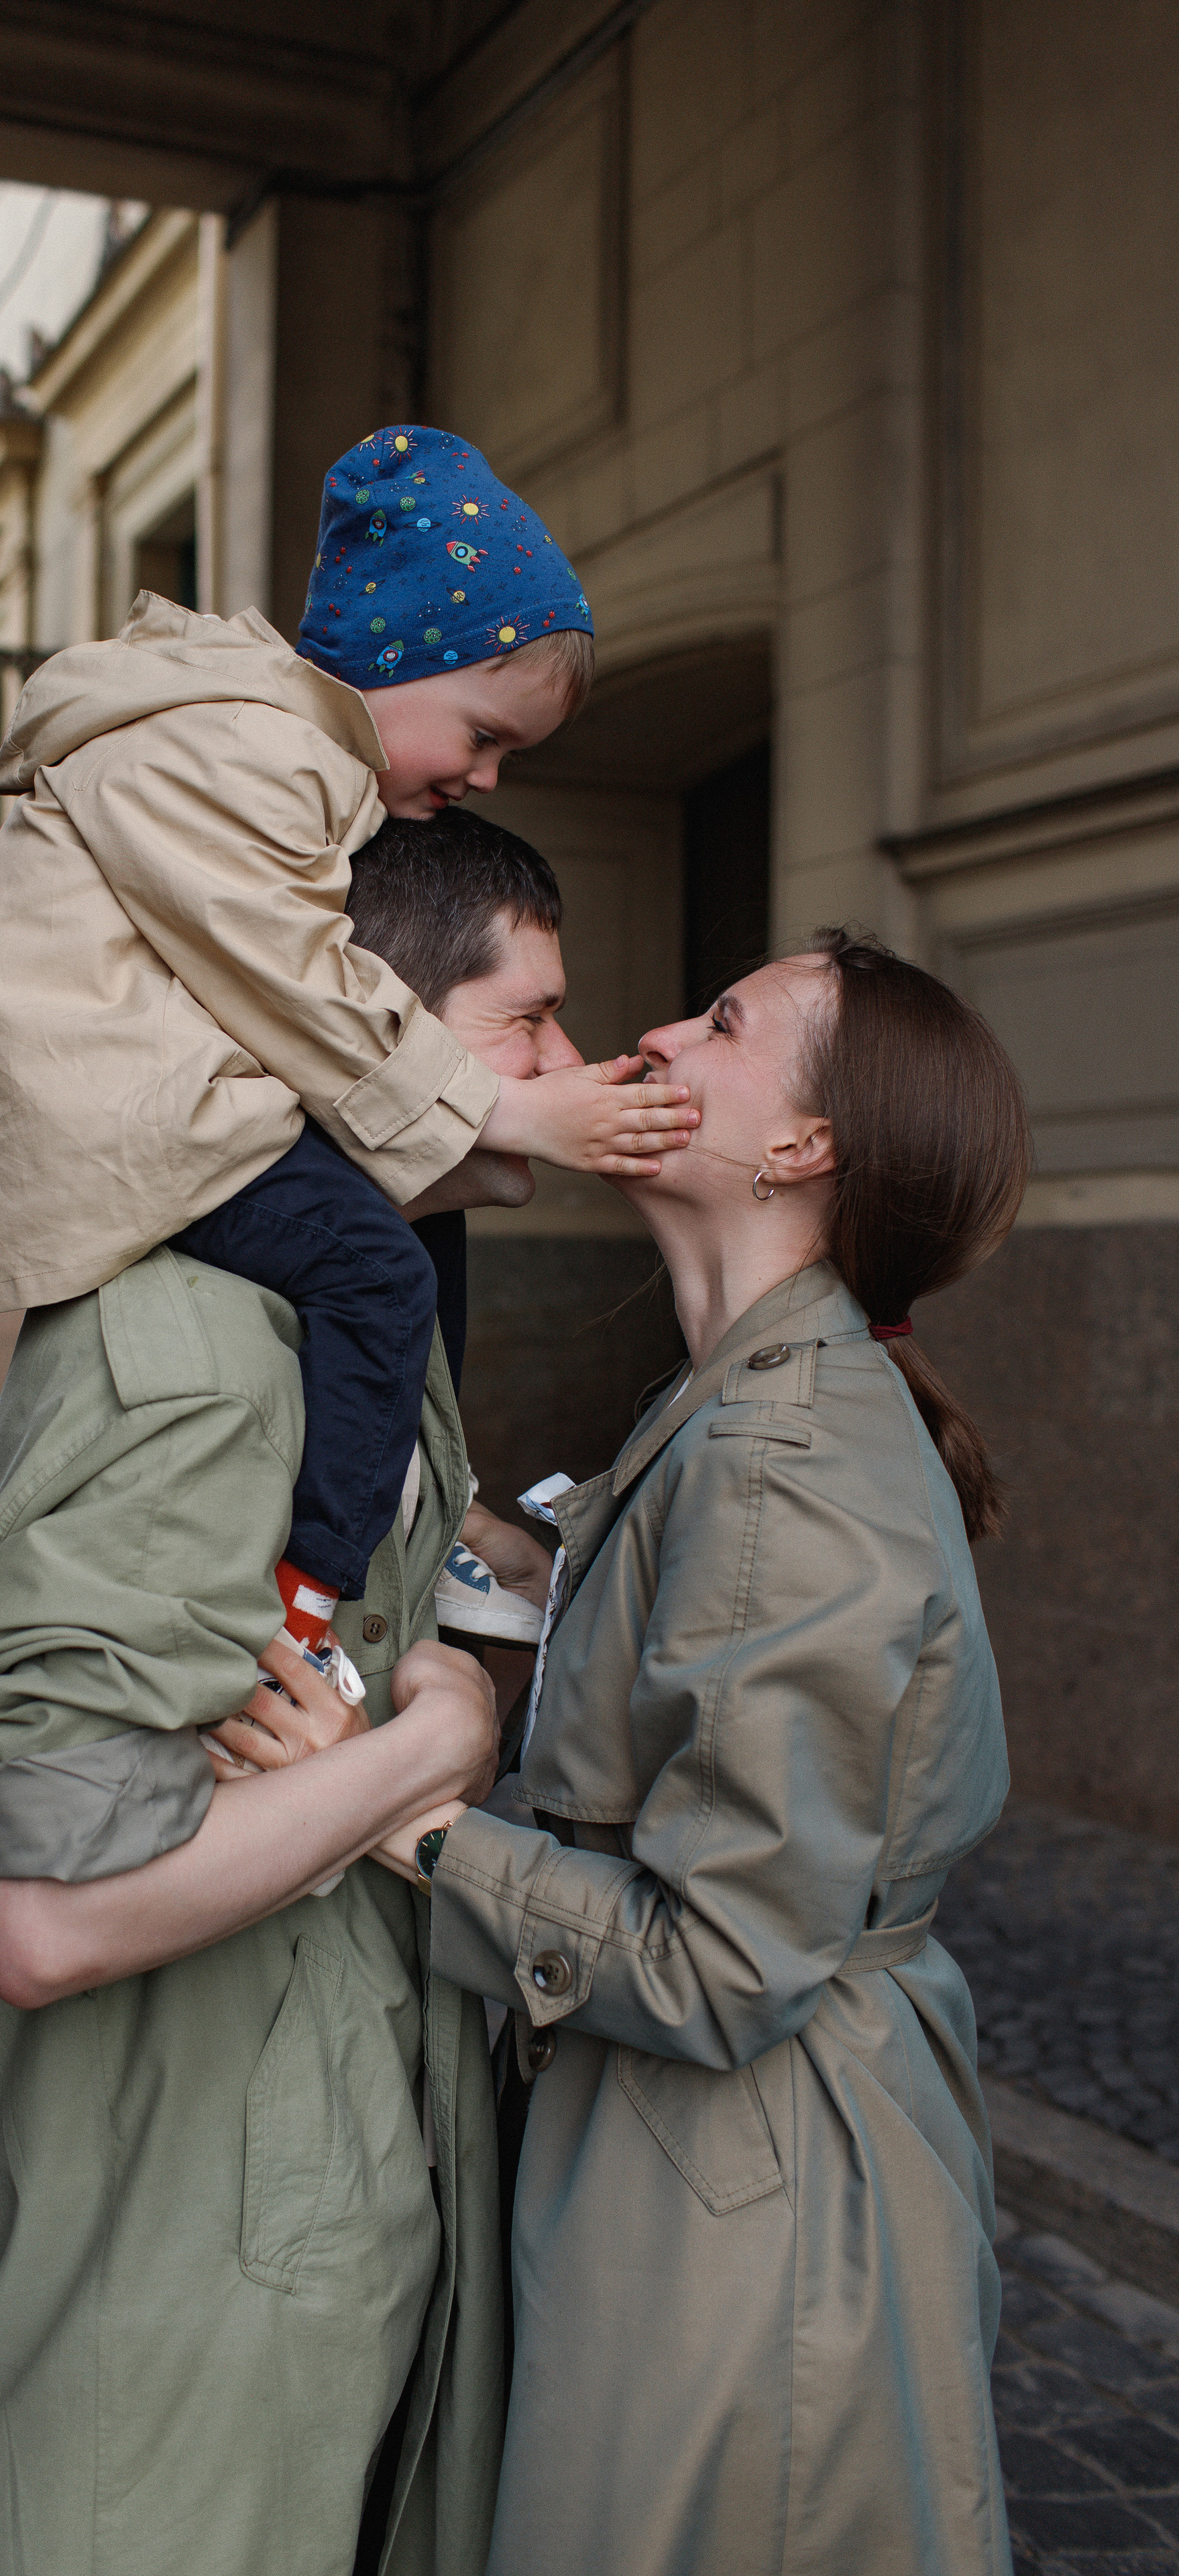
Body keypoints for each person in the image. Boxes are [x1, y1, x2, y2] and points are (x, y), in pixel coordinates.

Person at [0, 821, 598, 2576]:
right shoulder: (213, 1354)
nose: (575, 1076)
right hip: (188, 2311)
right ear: (376, 1023)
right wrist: (436, 1751)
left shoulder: (347, 1312)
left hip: (264, 2227)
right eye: (533, 1025)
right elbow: (49, 1923)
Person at [420, 930, 1032, 2576]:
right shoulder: (738, 1395)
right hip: (699, 2167)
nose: (653, 1032)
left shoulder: (780, 1455)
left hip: (733, 2202)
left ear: (798, 1148)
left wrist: (398, 1834)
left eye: (721, 1023)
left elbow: (717, 1965)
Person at [0, 423, 693, 1668]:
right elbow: (296, 977)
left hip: (169, 1097)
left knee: (406, 1217)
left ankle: (422, 1502)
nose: (491, 776)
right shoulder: (246, 749)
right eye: (484, 734)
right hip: (132, 1122)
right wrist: (501, 1113)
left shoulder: (271, 754)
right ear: (396, 665)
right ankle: (320, 1592)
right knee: (381, 1274)